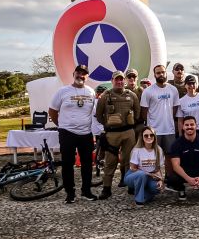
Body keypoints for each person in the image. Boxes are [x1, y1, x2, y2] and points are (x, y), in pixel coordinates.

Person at [48, 65, 96, 203]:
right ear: (73, 73)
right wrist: (62, 125)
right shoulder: (62, 91)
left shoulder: (91, 92)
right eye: (78, 73)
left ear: (87, 77)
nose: (81, 76)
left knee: (87, 164)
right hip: (67, 133)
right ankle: (70, 193)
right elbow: (52, 111)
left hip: (86, 133)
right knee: (67, 164)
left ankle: (86, 191)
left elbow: (92, 111)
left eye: (84, 74)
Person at [95, 70, 141, 199]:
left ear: (125, 80)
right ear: (112, 81)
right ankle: (106, 188)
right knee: (110, 161)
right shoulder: (105, 96)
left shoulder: (132, 95)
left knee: (129, 160)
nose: (119, 82)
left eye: (121, 79)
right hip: (112, 134)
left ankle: (130, 185)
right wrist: (109, 124)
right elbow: (99, 115)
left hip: (128, 133)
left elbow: (137, 113)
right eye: (117, 79)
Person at [140, 64, 180, 176]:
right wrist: (151, 124)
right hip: (154, 130)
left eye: (163, 72)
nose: (161, 74)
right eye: (158, 73)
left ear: (166, 73)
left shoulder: (173, 89)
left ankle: (169, 179)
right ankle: (156, 178)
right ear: (155, 75)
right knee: (153, 156)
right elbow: (144, 111)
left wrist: (167, 118)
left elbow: (175, 108)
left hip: (169, 129)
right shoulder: (148, 91)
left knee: (169, 155)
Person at [125, 126, 164, 206]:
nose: (149, 137)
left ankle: (145, 193)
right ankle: (139, 200)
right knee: (142, 175)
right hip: (133, 175)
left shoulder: (158, 150)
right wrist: (149, 174)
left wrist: (160, 180)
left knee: (157, 188)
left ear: (154, 136)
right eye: (146, 135)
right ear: (142, 137)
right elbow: (133, 168)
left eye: (151, 135)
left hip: (150, 176)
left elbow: (158, 168)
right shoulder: (137, 150)